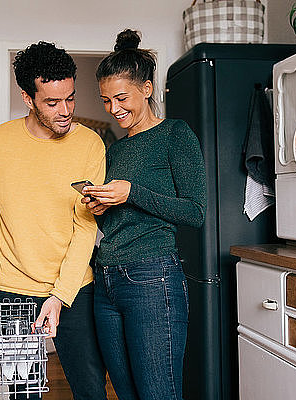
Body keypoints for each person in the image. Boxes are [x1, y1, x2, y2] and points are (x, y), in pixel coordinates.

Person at [0, 41, 107, 400]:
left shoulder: (90, 144)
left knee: (90, 390)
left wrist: (60, 296)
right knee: (21, 392)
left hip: (75, 289)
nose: (66, 111)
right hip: (13, 290)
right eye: (52, 102)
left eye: (71, 99)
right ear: (28, 98)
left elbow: (85, 227)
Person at [82, 29, 207, 400]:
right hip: (105, 281)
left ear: (147, 89)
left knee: (158, 395)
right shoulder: (113, 150)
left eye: (122, 97)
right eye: (106, 100)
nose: (113, 109)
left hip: (152, 279)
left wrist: (132, 192)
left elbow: (195, 212)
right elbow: (120, 221)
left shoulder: (175, 135)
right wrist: (101, 207)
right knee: (125, 392)